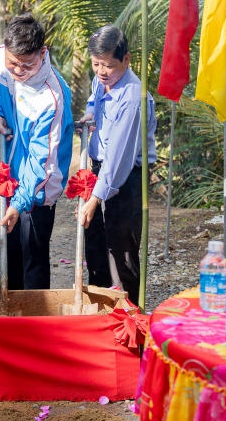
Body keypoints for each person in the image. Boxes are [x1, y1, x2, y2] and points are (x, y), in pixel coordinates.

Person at [0, 13, 73, 290]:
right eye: (13, 63)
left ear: (43, 53)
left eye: (27, 65)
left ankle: (34, 324)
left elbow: (41, 162)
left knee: (32, 261)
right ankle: (11, 322)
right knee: (8, 258)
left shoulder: (52, 97)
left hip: (38, 190)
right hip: (5, 176)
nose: (18, 71)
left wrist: (19, 204)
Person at [78, 24, 157, 304]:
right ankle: (97, 313)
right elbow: (94, 96)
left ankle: (125, 319)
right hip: (102, 171)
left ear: (126, 59)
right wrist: (90, 113)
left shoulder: (134, 97)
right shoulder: (103, 81)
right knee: (96, 246)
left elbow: (120, 158)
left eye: (108, 66)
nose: (101, 71)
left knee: (120, 251)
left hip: (125, 179)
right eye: (96, 64)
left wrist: (95, 199)